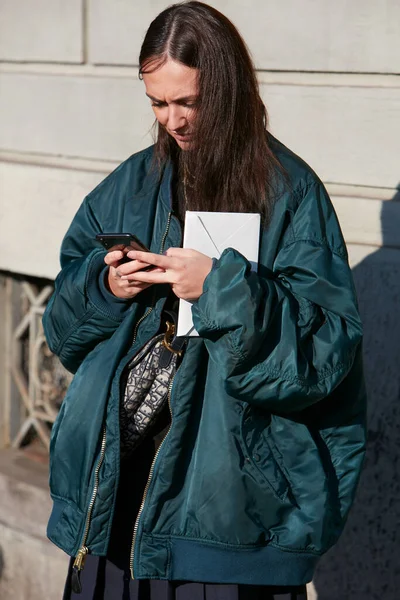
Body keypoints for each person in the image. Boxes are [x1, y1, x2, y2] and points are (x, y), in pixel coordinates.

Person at [43, 2, 367, 599]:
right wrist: (106, 285)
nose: (173, 121)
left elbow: (324, 356)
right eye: (157, 104)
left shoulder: (291, 192)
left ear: (226, 88)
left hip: (227, 517)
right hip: (119, 503)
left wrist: (221, 290)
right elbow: (62, 334)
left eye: (186, 101)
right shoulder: (130, 184)